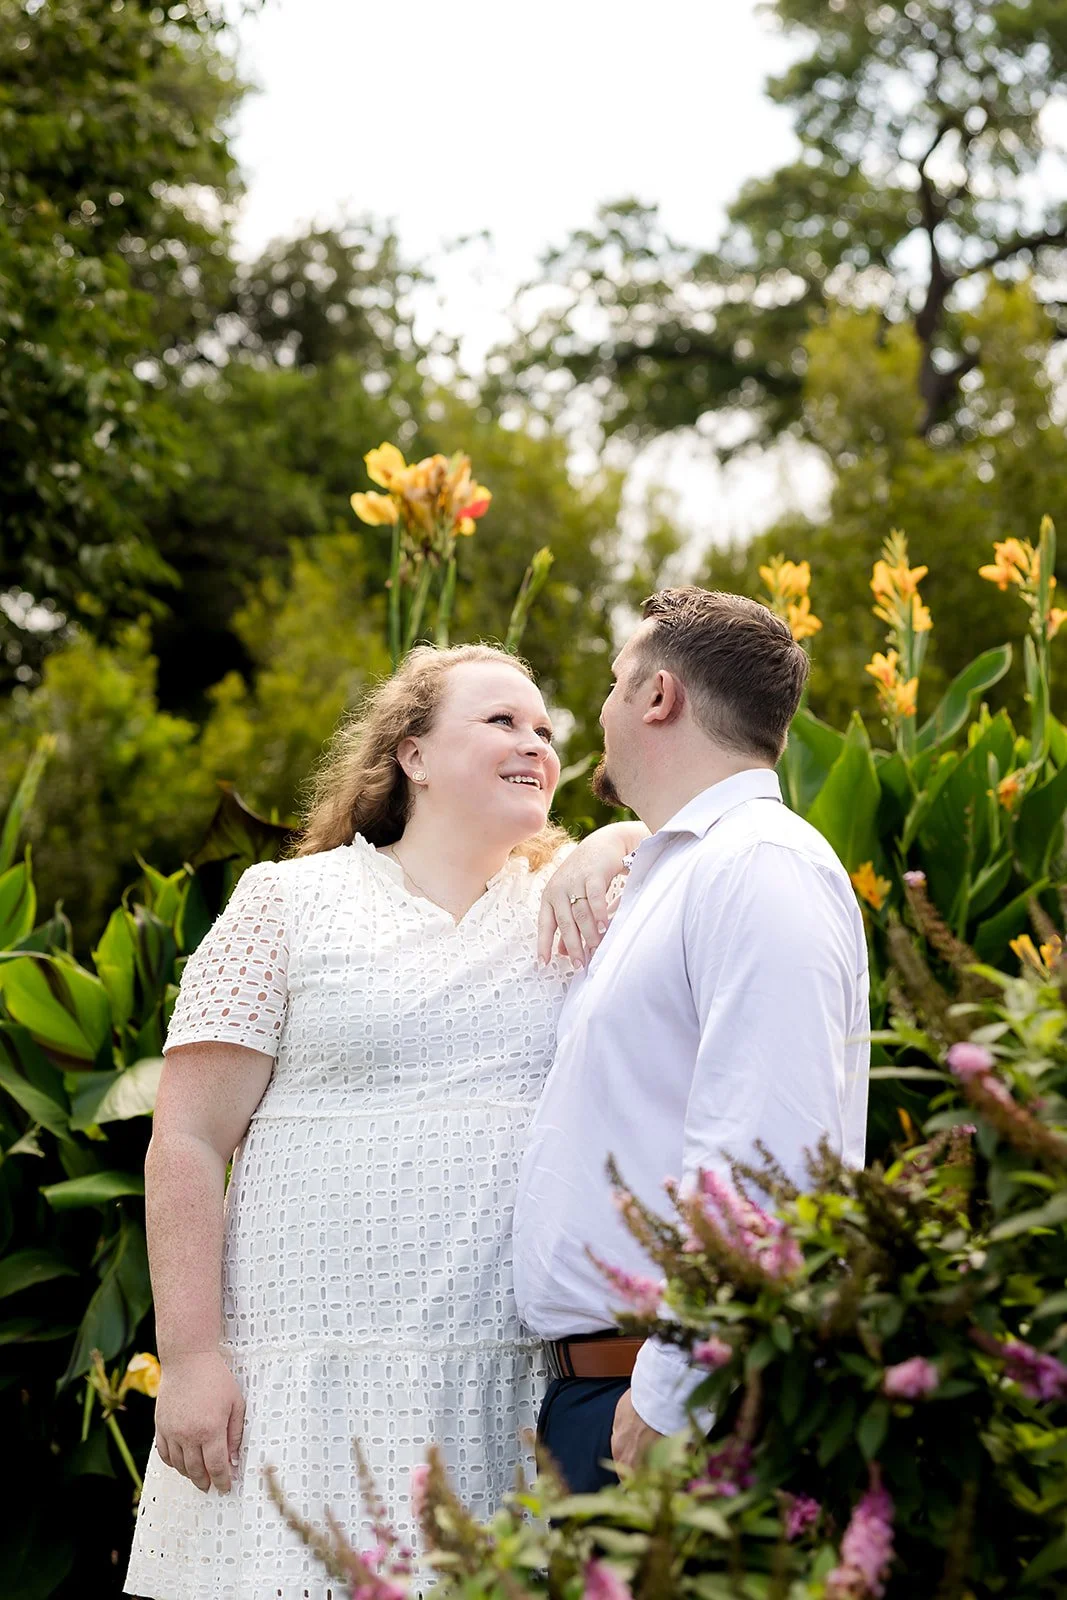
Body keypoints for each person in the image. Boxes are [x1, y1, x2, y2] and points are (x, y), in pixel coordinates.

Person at [124, 643, 642, 1600]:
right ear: (409, 753)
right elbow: (188, 1140)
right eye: (501, 721)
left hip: (503, 1390)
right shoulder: (285, 902)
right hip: (299, 1385)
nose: (534, 742)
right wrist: (191, 1357)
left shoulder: (576, 906)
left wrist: (612, 844)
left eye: (544, 730)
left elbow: (693, 869)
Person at [514, 587, 871, 1494]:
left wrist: (670, 1394)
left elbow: (769, 1161)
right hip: (610, 1397)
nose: (593, 713)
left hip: (672, 1407)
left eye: (610, 683)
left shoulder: (760, 867)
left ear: (658, 696)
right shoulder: (681, 870)